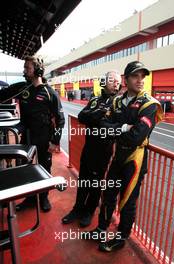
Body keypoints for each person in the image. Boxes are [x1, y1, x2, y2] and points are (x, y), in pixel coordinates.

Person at [83, 61, 163, 251]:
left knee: (127, 201)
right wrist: (124, 128)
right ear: (125, 80)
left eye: (143, 76)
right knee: (108, 194)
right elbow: (102, 127)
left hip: (135, 159)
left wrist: (117, 130)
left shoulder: (150, 104)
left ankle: (120, 239)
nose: (140, 80)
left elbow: (136, 137)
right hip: (118, 155)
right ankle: (101, 230)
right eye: (135, 76)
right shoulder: (117, 101)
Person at [0, 56, 65, 212]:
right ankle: (30, 199)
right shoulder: (22, 88)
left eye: (27, 68)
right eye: (24, 68)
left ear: (38, 70)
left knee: (44, 167)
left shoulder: (50, 93)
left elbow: (60, 120)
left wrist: (54, 142)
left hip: (44, 138)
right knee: (26, 167)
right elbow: (2, 95)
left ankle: (43, 198)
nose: (24, 71)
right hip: (26, 136)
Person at [62, 71, 122, 227]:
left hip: (103, 151)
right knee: (83, 180)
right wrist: (99, 115)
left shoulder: (119, 103)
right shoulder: (95, 99)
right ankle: (77, 209)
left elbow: (115, 127)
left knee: (95, 183)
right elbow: (82, 117)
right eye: (112, 80)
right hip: (88, 147)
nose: (115, 83)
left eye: (118, 81)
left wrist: (96, 119)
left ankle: (89, 211)